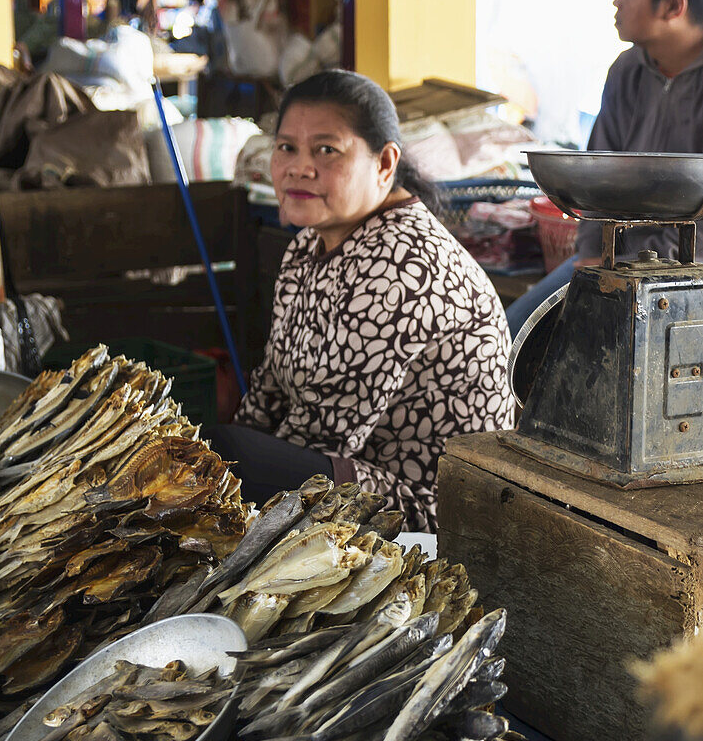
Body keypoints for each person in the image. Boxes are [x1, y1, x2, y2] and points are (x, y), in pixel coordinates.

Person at [207, 70, 514, 531]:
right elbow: (270, 389)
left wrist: (228, 471)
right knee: (219, 454)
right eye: (286, 147)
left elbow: (324, 431)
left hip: (433, 509)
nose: (298, 167)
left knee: (228, 461)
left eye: (326, 150)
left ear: (385, 163)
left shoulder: (405, 268)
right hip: (350, 470)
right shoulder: (309, 245)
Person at [507, 0, 703, 338]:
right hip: (615, 259)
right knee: (512, 335)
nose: (618, 1)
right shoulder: (626, 71)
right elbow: (598, 182)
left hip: (692, 275)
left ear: (674, 7)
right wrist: (592, 254)